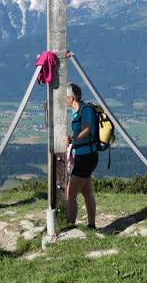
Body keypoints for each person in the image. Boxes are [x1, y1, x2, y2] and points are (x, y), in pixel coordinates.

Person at [63, 83, 98, 229]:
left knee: (70, 194)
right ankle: (91, 225)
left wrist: (73, 139)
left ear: (72, 97)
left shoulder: (86, 110)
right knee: (86, 192)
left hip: (86, 157)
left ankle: (70, 226)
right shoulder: (76, 111)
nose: (64, 100)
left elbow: (87, 129)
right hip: (83, 156)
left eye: (65, 97)